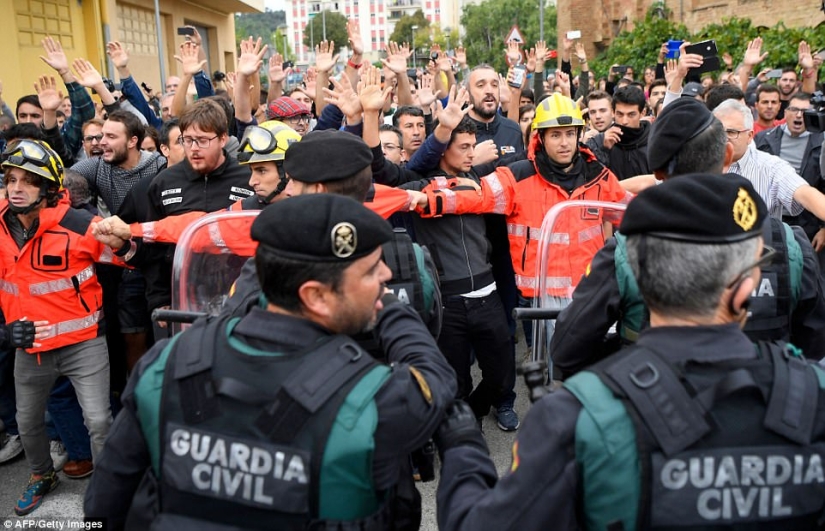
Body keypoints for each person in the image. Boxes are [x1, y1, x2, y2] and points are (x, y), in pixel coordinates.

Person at [436, 173, 825, 530]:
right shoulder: (815, 396)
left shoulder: (575, 420)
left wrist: (463, 448)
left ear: (638, 277)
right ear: (744, 290)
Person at [84, 193, 456, 530]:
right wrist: (392, 309)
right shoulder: (368, 402)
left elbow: (104, 505)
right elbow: (434, 381)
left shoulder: (166, 364)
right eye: (371, 270)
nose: (386, 276)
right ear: (315, 296)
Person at [552, 97, 825, 376]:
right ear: (727, 157)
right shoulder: (789, 244)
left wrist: (624, 363)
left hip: (652, 405)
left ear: (657, 173)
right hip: (768, 405)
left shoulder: (625, 251)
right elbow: (813, 347)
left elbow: (567, 351)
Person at [0, 139, 134, 515]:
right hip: (30, 348)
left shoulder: (80, 224)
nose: (16, 188)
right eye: (10, 179)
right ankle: (42, 475)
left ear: (49, 188)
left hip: (84, 344)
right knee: (27, 424)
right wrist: (6, 334)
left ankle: (110, 490)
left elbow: (130, 258)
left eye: (28, 180)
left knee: (98, 420)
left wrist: (125, 246)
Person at [586, 85, 651, 180]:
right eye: (620, 114)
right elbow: (592, 181)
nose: (624, 121)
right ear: (613, 112)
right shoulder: (598, 143)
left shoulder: (655, 141)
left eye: (631, 114)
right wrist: (603, 150)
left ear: (643, 113)